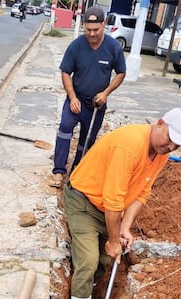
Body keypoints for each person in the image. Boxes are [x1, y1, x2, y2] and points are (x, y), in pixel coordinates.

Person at [63, 108, 181, 299]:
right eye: (170, 139)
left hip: (108, 209)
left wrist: (124, 229)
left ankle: (84, 297)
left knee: (104, 260)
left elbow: (143, 193)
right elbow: (113, 201)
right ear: (159, 123)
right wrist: (113, 240)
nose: (170, 147)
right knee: (89, 260)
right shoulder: (129, 145)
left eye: (177, 145)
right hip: (83, 201)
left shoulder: (160, 154)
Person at [49, 6, 126, 188]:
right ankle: (59, 172)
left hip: (96, 105)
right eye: (88, 29)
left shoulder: (113, 47)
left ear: (104, 25)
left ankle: (77, 173)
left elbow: (121, 73)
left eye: (96, 30)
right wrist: (72, 97)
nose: (91, 34)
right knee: (65, 129)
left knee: (87, 140)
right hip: (76, 99)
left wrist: (105, 93)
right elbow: (66, 72)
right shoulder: (76, 46)